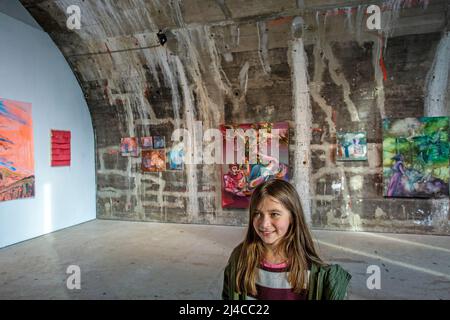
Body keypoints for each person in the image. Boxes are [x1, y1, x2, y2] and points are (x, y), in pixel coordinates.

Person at [222, 179, 351, 300]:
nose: (264, 224)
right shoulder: (240, 259)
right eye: (257, 214)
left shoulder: (313, 273)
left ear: (293, 217)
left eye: (274, 214)